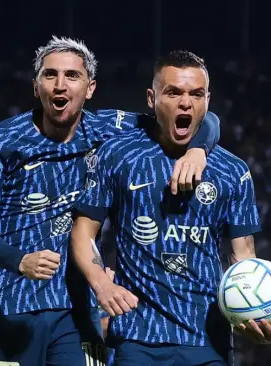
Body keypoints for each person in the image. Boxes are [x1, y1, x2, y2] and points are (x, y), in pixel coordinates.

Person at [0, 36, 221, 366]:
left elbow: (201, 117)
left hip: (75, 308)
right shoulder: (1, 140)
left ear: (90, 88)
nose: (60, 85)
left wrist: (198, 149)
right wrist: (19, 260)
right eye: (50, 75)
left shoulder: (108, 129)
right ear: (35, 85)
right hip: (11, 303)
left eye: (72, 76)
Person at [70, 50, 271, 366]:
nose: (185, 102)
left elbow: (243, 257)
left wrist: (253, 310)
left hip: (208, 340)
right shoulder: (117, 155)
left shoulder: (233, 170)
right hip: (137, 338)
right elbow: (83, 232)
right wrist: (102, 284)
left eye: (196, 94)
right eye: (173, 92)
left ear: (207, 100)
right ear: (152, 98)